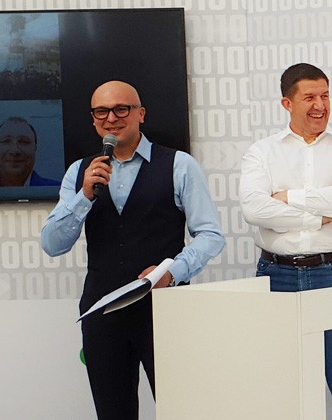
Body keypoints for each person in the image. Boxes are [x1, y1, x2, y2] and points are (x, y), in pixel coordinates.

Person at [41, 80, 225, 420]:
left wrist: (172, 272)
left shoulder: (179, 165)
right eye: (101, 111)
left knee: (181, 409)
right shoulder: (79, 173)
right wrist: (84, 196)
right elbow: (52, 244)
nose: (111, 118)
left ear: (140, 114)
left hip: (166, 311)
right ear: (93, 120)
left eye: (121, 109)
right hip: (102, 313)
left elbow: (210, 235)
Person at [239, 63, 332, 420]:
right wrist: (320, 215)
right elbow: (254, 208)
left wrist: (286, 197)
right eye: (310, 97)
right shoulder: (262, 152)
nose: (320, 105)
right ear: (287, 103)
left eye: (325, 96)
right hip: (276, 275)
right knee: (279, 384)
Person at [0, 116, 61, 187]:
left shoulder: (59, 189)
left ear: (35, 147)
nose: (14, 151)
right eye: (6, 141)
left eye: (24, 141)